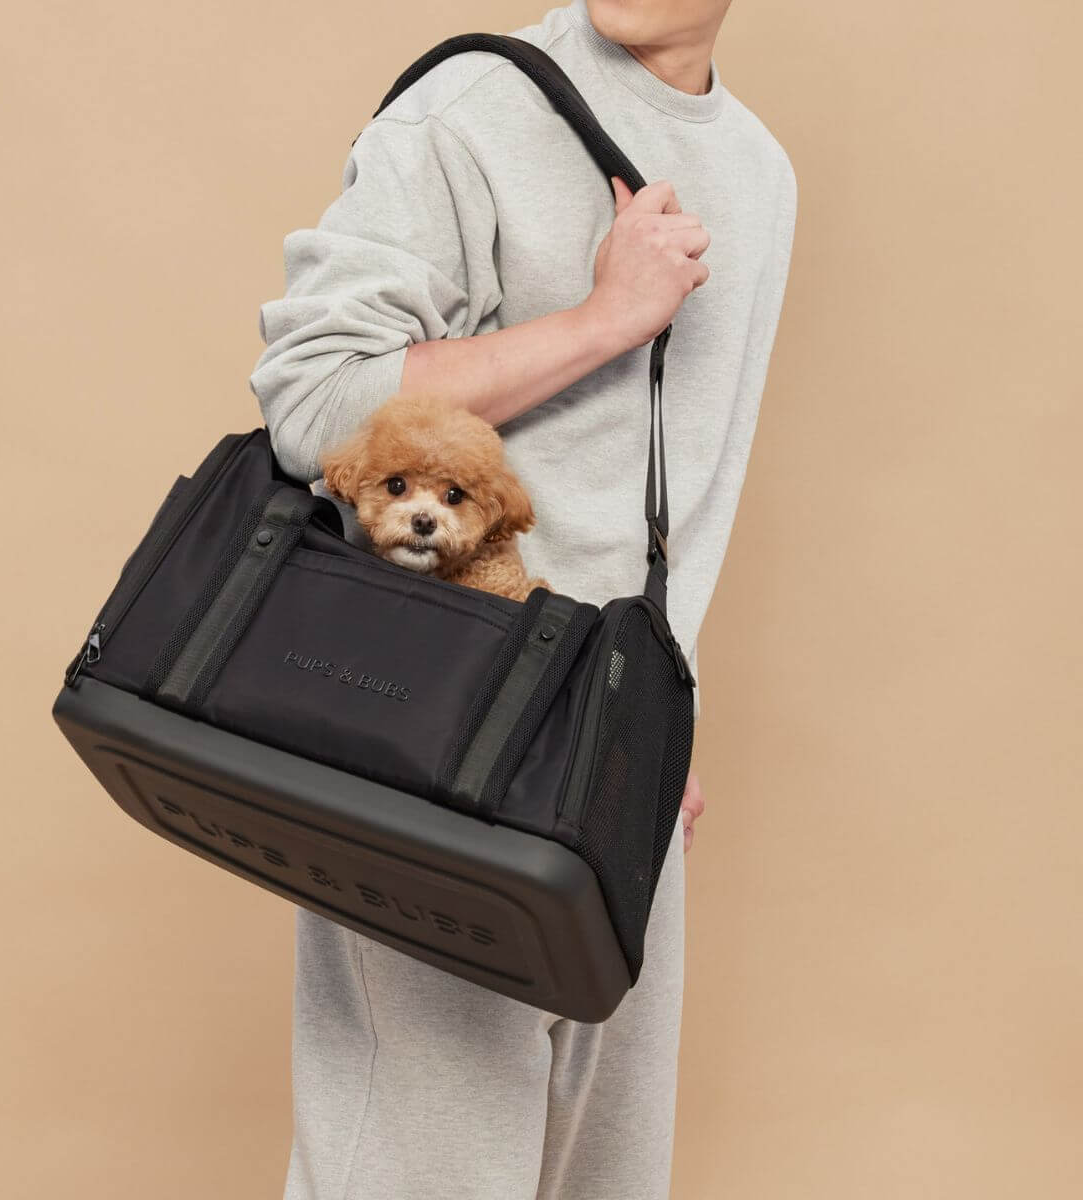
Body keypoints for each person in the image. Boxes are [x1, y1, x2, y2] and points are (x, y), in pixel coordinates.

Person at [249, 1, 795, 1195]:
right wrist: (608, 319)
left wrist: (657, 710)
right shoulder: (473, 112)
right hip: (435, 724)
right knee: (416, 1171)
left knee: (602, 1175)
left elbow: (682, 490)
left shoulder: (760, 173)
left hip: (611, 755)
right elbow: (317, 402)